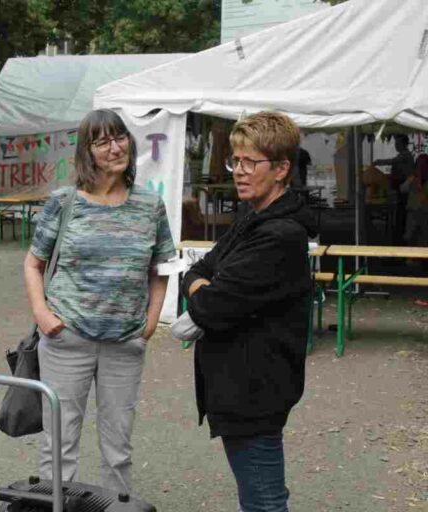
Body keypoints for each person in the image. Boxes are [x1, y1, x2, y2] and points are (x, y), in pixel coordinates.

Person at [23, 109, 176, 493]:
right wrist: (42, 313)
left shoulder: (149, 206)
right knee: (59, 443)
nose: (115, 147)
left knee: (118, 448)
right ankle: (53, 505)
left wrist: (151, 321)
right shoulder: (64, 202)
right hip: (66, 338)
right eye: (103, 141)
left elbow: (161, 269)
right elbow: (33, 263)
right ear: (87, 152)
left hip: (124, 342)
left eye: (120, 137)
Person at [182, 111, 316, 512]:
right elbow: (197, 269)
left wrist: (203, 290)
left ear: (281, 169)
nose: (238, 171)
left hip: (256, 389)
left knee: (264, 503)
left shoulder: (280, 235)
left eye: (249, 162)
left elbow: (209, 305)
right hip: (239, 386)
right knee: (257, 498)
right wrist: (204, 284)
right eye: (235, 161)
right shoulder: (252, 217)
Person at [375, 134, 415, 244]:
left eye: (398, 144)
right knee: (399, 211)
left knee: (402, 212)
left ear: (404, 144)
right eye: (396, 144)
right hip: (400, 187)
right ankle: (399, 233)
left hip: (405, 188)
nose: (396, 146)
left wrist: (378, 162)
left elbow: (393, 161)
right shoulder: (403, 155)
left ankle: (401, 236)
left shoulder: (405, 155)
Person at [400, 153, 428, 248]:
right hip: (413, 212)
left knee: (424, 238)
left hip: (425, 213)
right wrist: (413, 178)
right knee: (411, 236)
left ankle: (422, 260)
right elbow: (403, 189)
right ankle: (411, 259)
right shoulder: (413, 179)